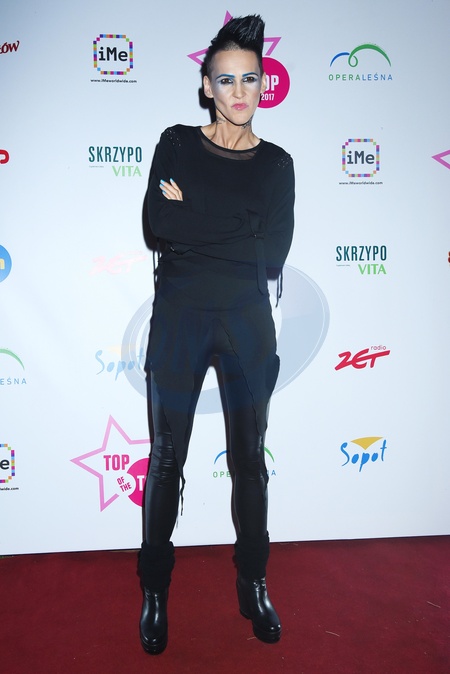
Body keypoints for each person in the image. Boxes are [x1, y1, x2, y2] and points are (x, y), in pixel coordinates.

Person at [138, 14, 295, 654]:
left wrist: (195, 216)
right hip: (180, 319)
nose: (238, 91)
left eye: (249, 79)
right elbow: (157, 222)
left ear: (263, 85)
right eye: (225, 80)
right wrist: (240, 228)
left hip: (246, 323)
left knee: (249, 460)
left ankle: (253, 583)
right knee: (166, 460)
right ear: (206, 86)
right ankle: (154, 590)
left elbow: (273, 254)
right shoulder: (175, 143)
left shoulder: (277, 164)